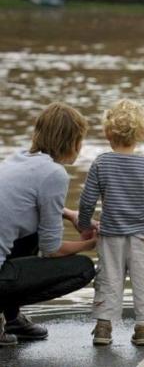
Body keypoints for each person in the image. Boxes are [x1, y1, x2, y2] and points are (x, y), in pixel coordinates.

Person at [0, 103, 98, 346]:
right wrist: (92, 243)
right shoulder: (54, 173)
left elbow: (21, 203)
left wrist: (69, 214)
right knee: (83, 268)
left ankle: (11, 319)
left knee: (33, 233)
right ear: (72, 141)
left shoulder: (17, 158)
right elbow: (51, 249)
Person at [78, 99, 144, 347]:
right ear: (141, 134)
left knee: (109, 280)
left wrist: (86, 224)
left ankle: (103, 328)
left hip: (111, 236)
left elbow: (87, 199)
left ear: (108, 133)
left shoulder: (101, 163)